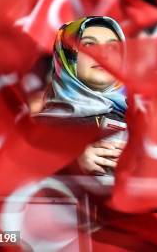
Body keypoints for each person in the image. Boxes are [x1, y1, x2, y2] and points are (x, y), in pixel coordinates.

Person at [36, 16, 127, 175]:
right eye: (89, 44)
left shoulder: (142, 127)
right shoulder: (35, 129)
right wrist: (70, 162)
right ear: (66, 55)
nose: (103, 54)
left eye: (113, 47)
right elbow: (2, 175)